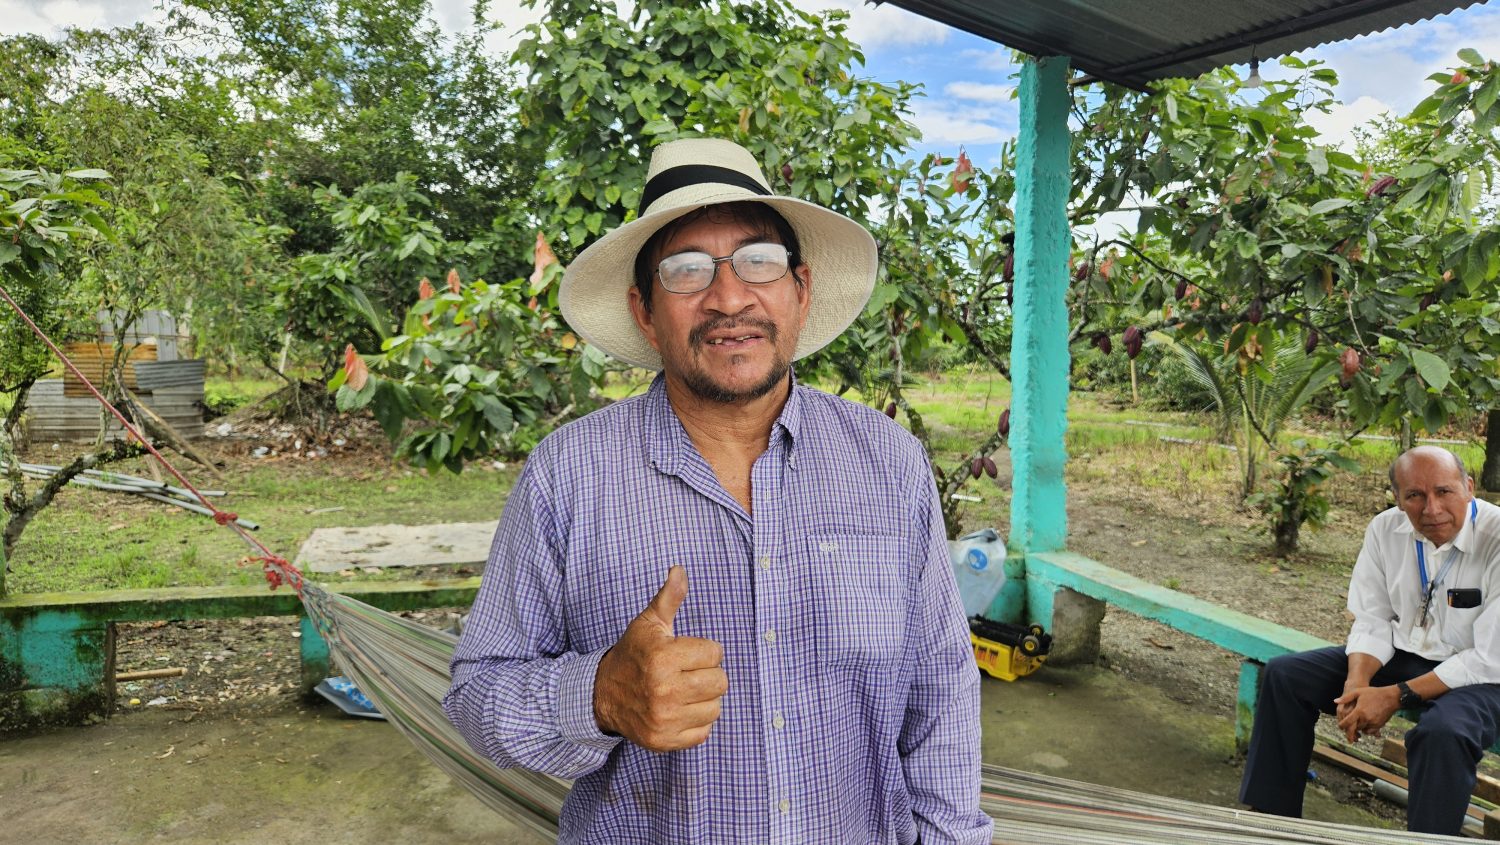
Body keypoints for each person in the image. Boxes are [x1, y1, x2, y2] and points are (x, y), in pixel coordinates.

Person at [444, 137, 993, 845]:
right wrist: (599, 695)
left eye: (758, 261)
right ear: (645, 311)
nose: (729, 297)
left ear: (801, 289)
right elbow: (475, 694)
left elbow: (942, 688)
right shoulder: (567, 475)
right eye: (686, 270)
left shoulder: (887, 461)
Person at [1240, 445, 1500, 835]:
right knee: (1286, 675)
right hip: (1410, 654)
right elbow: (1373, 618)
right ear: (1397, 498)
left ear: (1468, 486)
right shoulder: (1385, 529)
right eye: (1414, 495)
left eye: (1444, 492)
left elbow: (1488, 657)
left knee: (1443, 733)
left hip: (1484, 675)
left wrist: (1394, 695)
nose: (1431, 509)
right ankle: (1272, 824)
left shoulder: (1495, 536)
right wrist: (1357, 684)